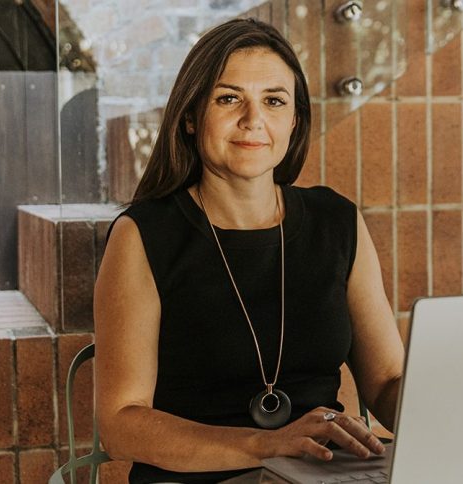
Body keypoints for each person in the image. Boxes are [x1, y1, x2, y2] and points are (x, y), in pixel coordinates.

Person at [94, 17, 405, 483]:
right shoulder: (142, 235)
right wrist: (266, 446)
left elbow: (385, 382)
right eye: (228, 98)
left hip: (323, 475)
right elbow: (119, 422)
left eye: (273, 101)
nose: (253, 119)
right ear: (191, 116)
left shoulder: (337, 221)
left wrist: (459, 411)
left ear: (294, 119)